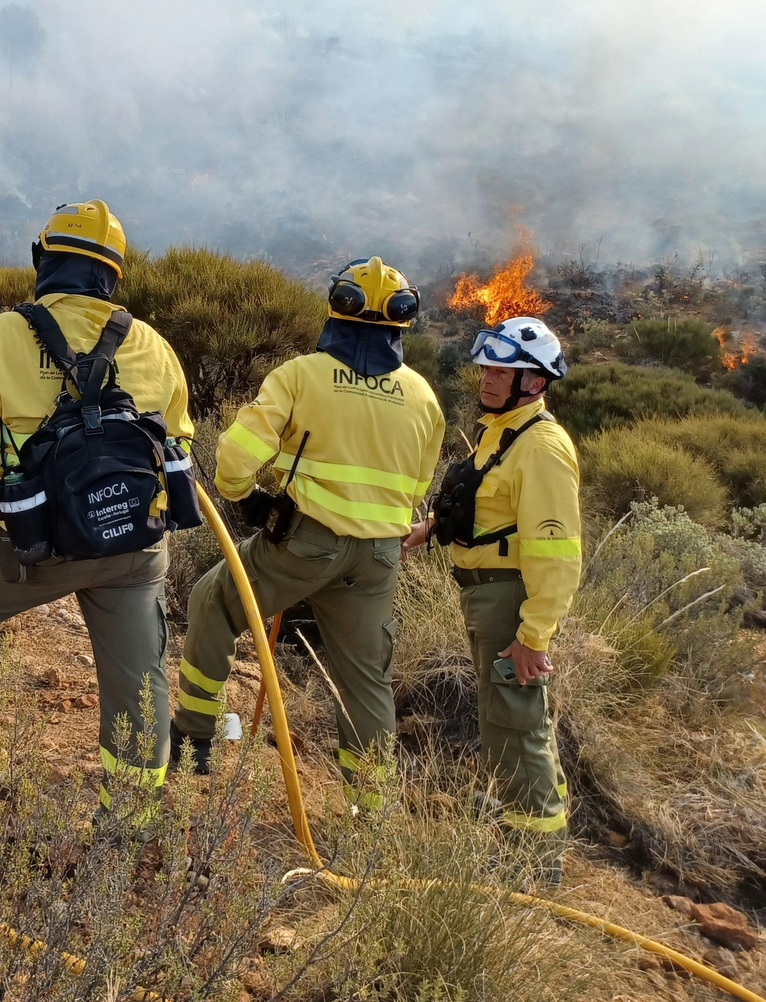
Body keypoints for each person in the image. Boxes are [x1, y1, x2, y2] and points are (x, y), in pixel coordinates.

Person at [0, 200, 195, 814]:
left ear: (43, 261)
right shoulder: (155, 347)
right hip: (133, 548)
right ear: (114, 273)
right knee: (140, 679)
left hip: (38, 546)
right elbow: (179, 445)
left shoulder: (2, 335)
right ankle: (133, 815)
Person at [173, 257, 445, 815]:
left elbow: (232, 458)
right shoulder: (422, 396)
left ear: (336, 312)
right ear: (401, 325)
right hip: (378, 558)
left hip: (304, 544)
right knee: (365, 679)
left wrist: (246, 498)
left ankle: (196, 737)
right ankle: (369, 813)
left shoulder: (302, 375)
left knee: (214, 601)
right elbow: (417, 485)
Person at [402, 315, 578, 885]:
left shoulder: (543, 447)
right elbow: (483, 509)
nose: (488, 376)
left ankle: (533, 866)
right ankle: (518, 829)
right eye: (486, 365)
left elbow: (557, 555)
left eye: (504, 368)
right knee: (504, 720)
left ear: (536, 381)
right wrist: (432, 529)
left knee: (517, 723)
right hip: (484, 597)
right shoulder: (501, 435)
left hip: (510, 602)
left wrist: (533, 636)